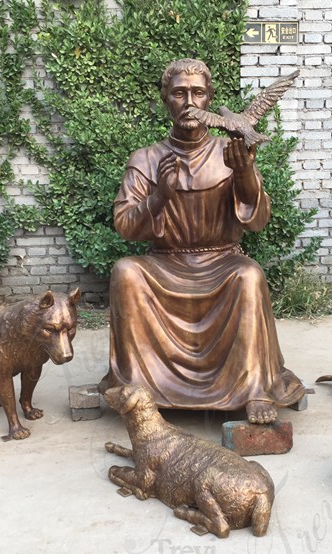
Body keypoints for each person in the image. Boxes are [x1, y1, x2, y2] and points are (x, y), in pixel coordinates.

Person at [98, 58, 305, 424]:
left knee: (249, 276)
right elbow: (126, 225)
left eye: (197, 92)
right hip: (165, 262)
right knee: (126, 272)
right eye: (179, 93)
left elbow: (257, 220)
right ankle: (140, 386)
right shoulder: (146, 159)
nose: (189, 101)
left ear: (210, 99)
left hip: (221, 260)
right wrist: (159, 195)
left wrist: (243, 173)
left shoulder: (231, 151)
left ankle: (253, 388)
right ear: (167, 101)